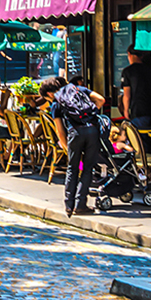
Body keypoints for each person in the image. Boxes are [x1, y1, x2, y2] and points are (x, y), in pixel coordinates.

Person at [53, 75, 107, 216]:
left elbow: (59, 131)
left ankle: (69, 205)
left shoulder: (57, 100)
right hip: (92, 130)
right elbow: (101, 100)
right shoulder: (79, 89)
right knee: (88, 168)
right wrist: (91, 112)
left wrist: (65, 148)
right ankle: (81, 204)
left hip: (74, 132)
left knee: (73, 168)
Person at [121, 48, 151, 130]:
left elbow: (127, 95)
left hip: (138, 111)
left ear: (129, 54)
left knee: (140, 140)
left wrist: (126, 111)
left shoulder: (128, 72)